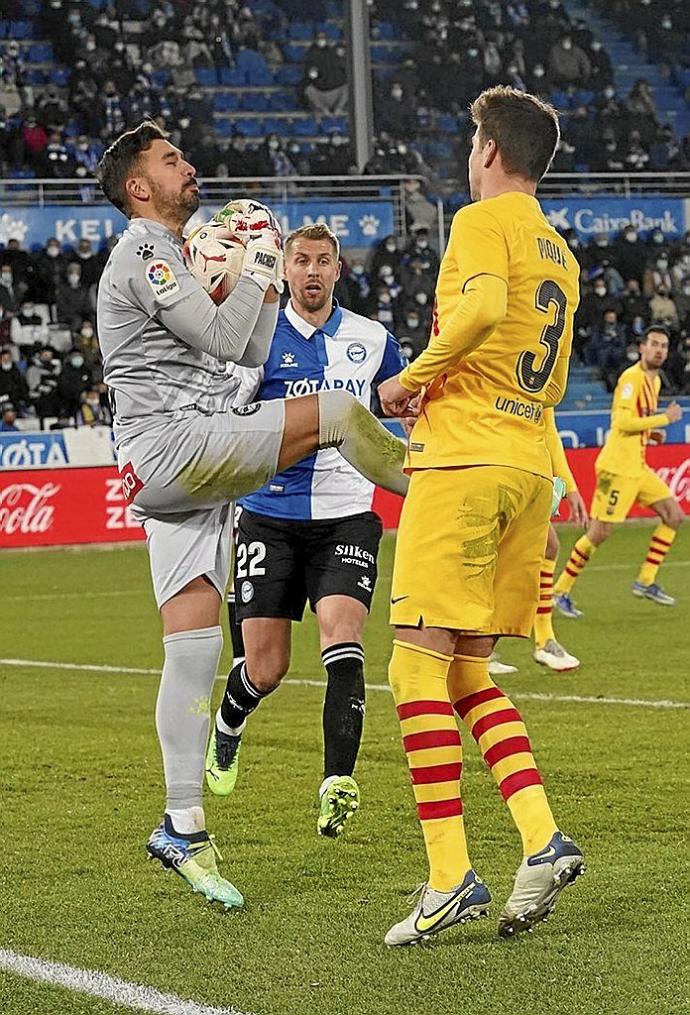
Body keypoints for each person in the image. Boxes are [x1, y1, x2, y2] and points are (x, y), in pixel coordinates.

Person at [95, 120, 408, 911]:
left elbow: (251, 340)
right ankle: (442, 484)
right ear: (139, 187)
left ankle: (182, 822)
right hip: (178, 444)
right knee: (333, 409)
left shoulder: (179, 252)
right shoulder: (143, 249)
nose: (186, 165)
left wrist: (247, 274)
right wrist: (263, 264)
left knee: (196, 648)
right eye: (170, 160)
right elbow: (229, 341)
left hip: (177, 464)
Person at [377, 86, 584, 947]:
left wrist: (410, 380)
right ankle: (541, 838)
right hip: (527, 470)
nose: (469, 158)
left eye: (471, 143)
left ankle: (448, 874)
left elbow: (487, 309)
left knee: (411, 669)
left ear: (492, 153)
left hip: (464, 460)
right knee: (466, 671)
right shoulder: (563, 252)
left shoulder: (481, 220)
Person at [205, 223, 407, 837]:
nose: (312, 271)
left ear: (338, 270)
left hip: (347, 515)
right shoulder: (257, 342)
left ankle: (337, 783)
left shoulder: (373, 340)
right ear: (285, 270)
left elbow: (399, 412)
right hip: (269, 517)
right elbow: (228, 418)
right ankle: (229, 725)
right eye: (301, 261)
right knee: (265, 668)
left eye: (323, 261)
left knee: (343, 642)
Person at [554, 327, 684, 614]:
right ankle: (560, 590)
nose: (659, 350)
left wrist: (651, 434)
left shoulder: (655, 381)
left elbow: (636, 423)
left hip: (637, 467)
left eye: (663, 345)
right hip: (617, 470)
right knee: (599, 533)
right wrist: (663, 419)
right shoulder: (631, 379)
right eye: (654, 344)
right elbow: (621, 422)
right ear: (642, 347)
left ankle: (645, 581)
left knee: (674, 515)